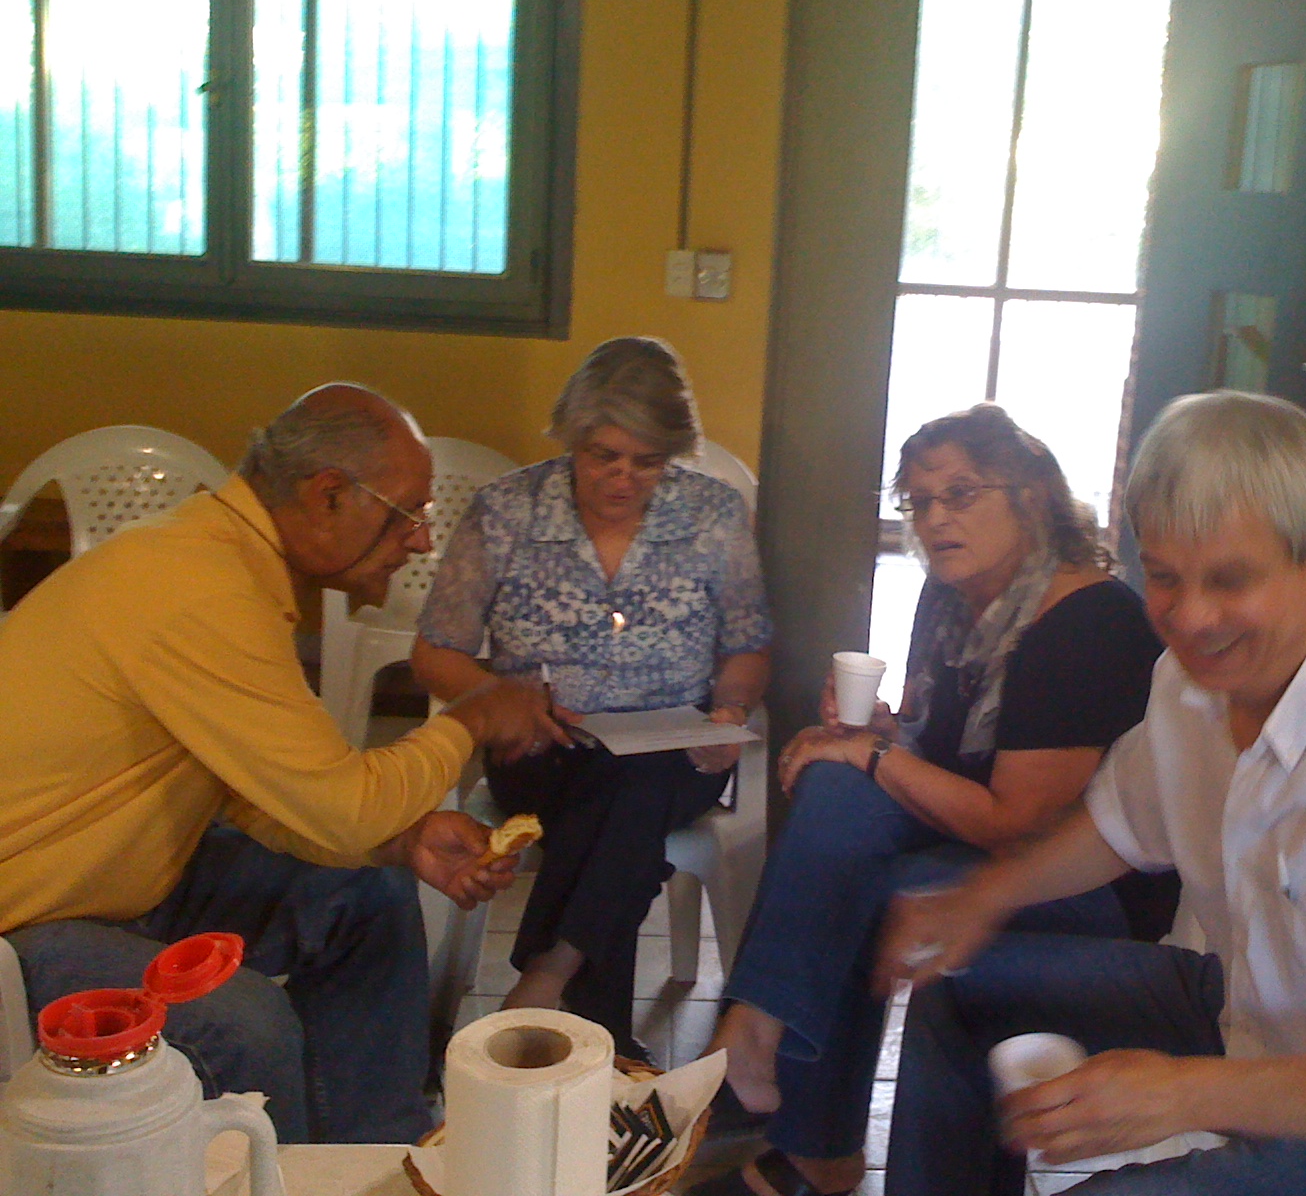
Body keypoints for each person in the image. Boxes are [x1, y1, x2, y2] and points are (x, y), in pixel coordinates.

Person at [877, 390, 1306, 1196]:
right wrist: (980, 899)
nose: (1191, 619)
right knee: (954, 988)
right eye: (1165, 578)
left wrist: (1181, 1093)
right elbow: (1116, 824)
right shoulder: (1192, 686)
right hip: (1256, 1016)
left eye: (1230, 579)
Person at [0, 384, 544, 1144]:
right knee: (244, 1024)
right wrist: (474, 718)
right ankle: (286, 1176)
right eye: (407, 514)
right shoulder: (198, 586)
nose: (421, 542)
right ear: (328, 494)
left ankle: (379, 1156)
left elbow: (259, 794)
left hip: (117, 877)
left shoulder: (223, 563)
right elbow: (343, 806)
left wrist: (400, 841)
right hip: (22, 920)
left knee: (368, 892)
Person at [694, 403, 1172, 1196]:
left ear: (1030, 497)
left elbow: (1017, 822)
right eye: (919, 502)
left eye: (961, 494)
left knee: (880, 883)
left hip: (1084, 880)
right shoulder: (949, 600)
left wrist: (875, 756)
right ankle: (768, 1048)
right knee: (835, 787)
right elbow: (936, 750)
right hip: (979, 838)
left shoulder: (1088, 621)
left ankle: (801, 1122)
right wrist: (873, 734)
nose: (936, 518)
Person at [412, 336, 772, 1059]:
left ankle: (548, 985)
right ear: (572, 438)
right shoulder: (507, 511)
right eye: (603, 455)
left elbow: (749, 645)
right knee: (615, 795)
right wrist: (503, 700)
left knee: (632, 783)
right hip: (541, 749)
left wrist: (730, 712)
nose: (622, 477)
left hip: (677, 750)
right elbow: (435, 652)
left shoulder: (712, 513)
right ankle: (580, 1009)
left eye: (647, 461)